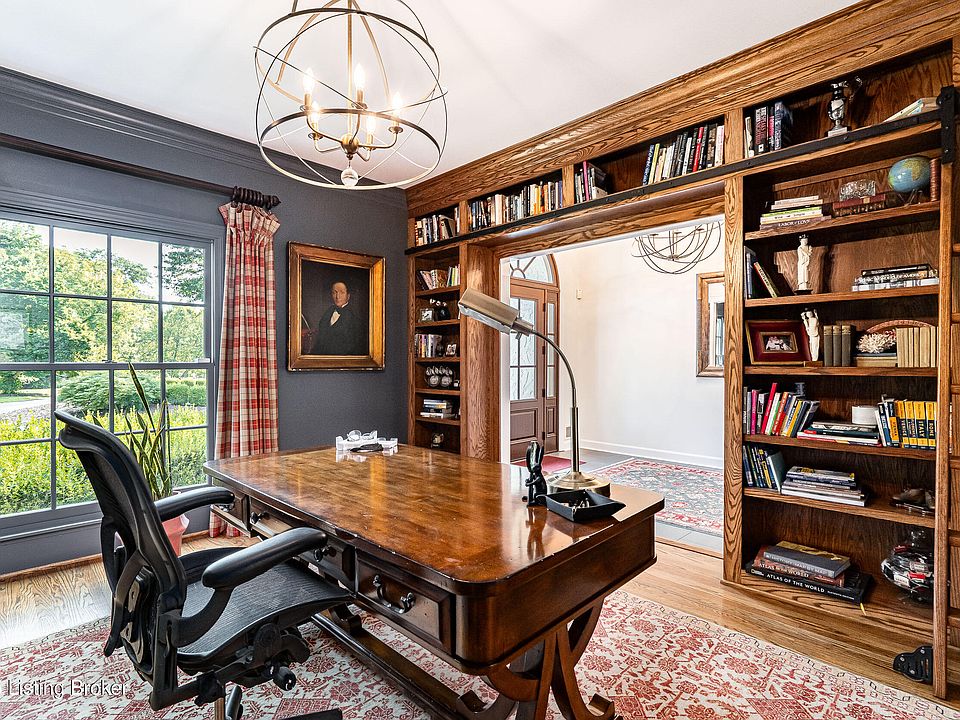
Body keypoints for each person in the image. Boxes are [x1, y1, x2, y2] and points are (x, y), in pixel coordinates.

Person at [312, 281, 365, 355]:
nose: (337, 296)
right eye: (334, 292)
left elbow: (354, 347)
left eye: (342, 292)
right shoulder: (327, 312)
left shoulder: (354, 317)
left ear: (348, 296)